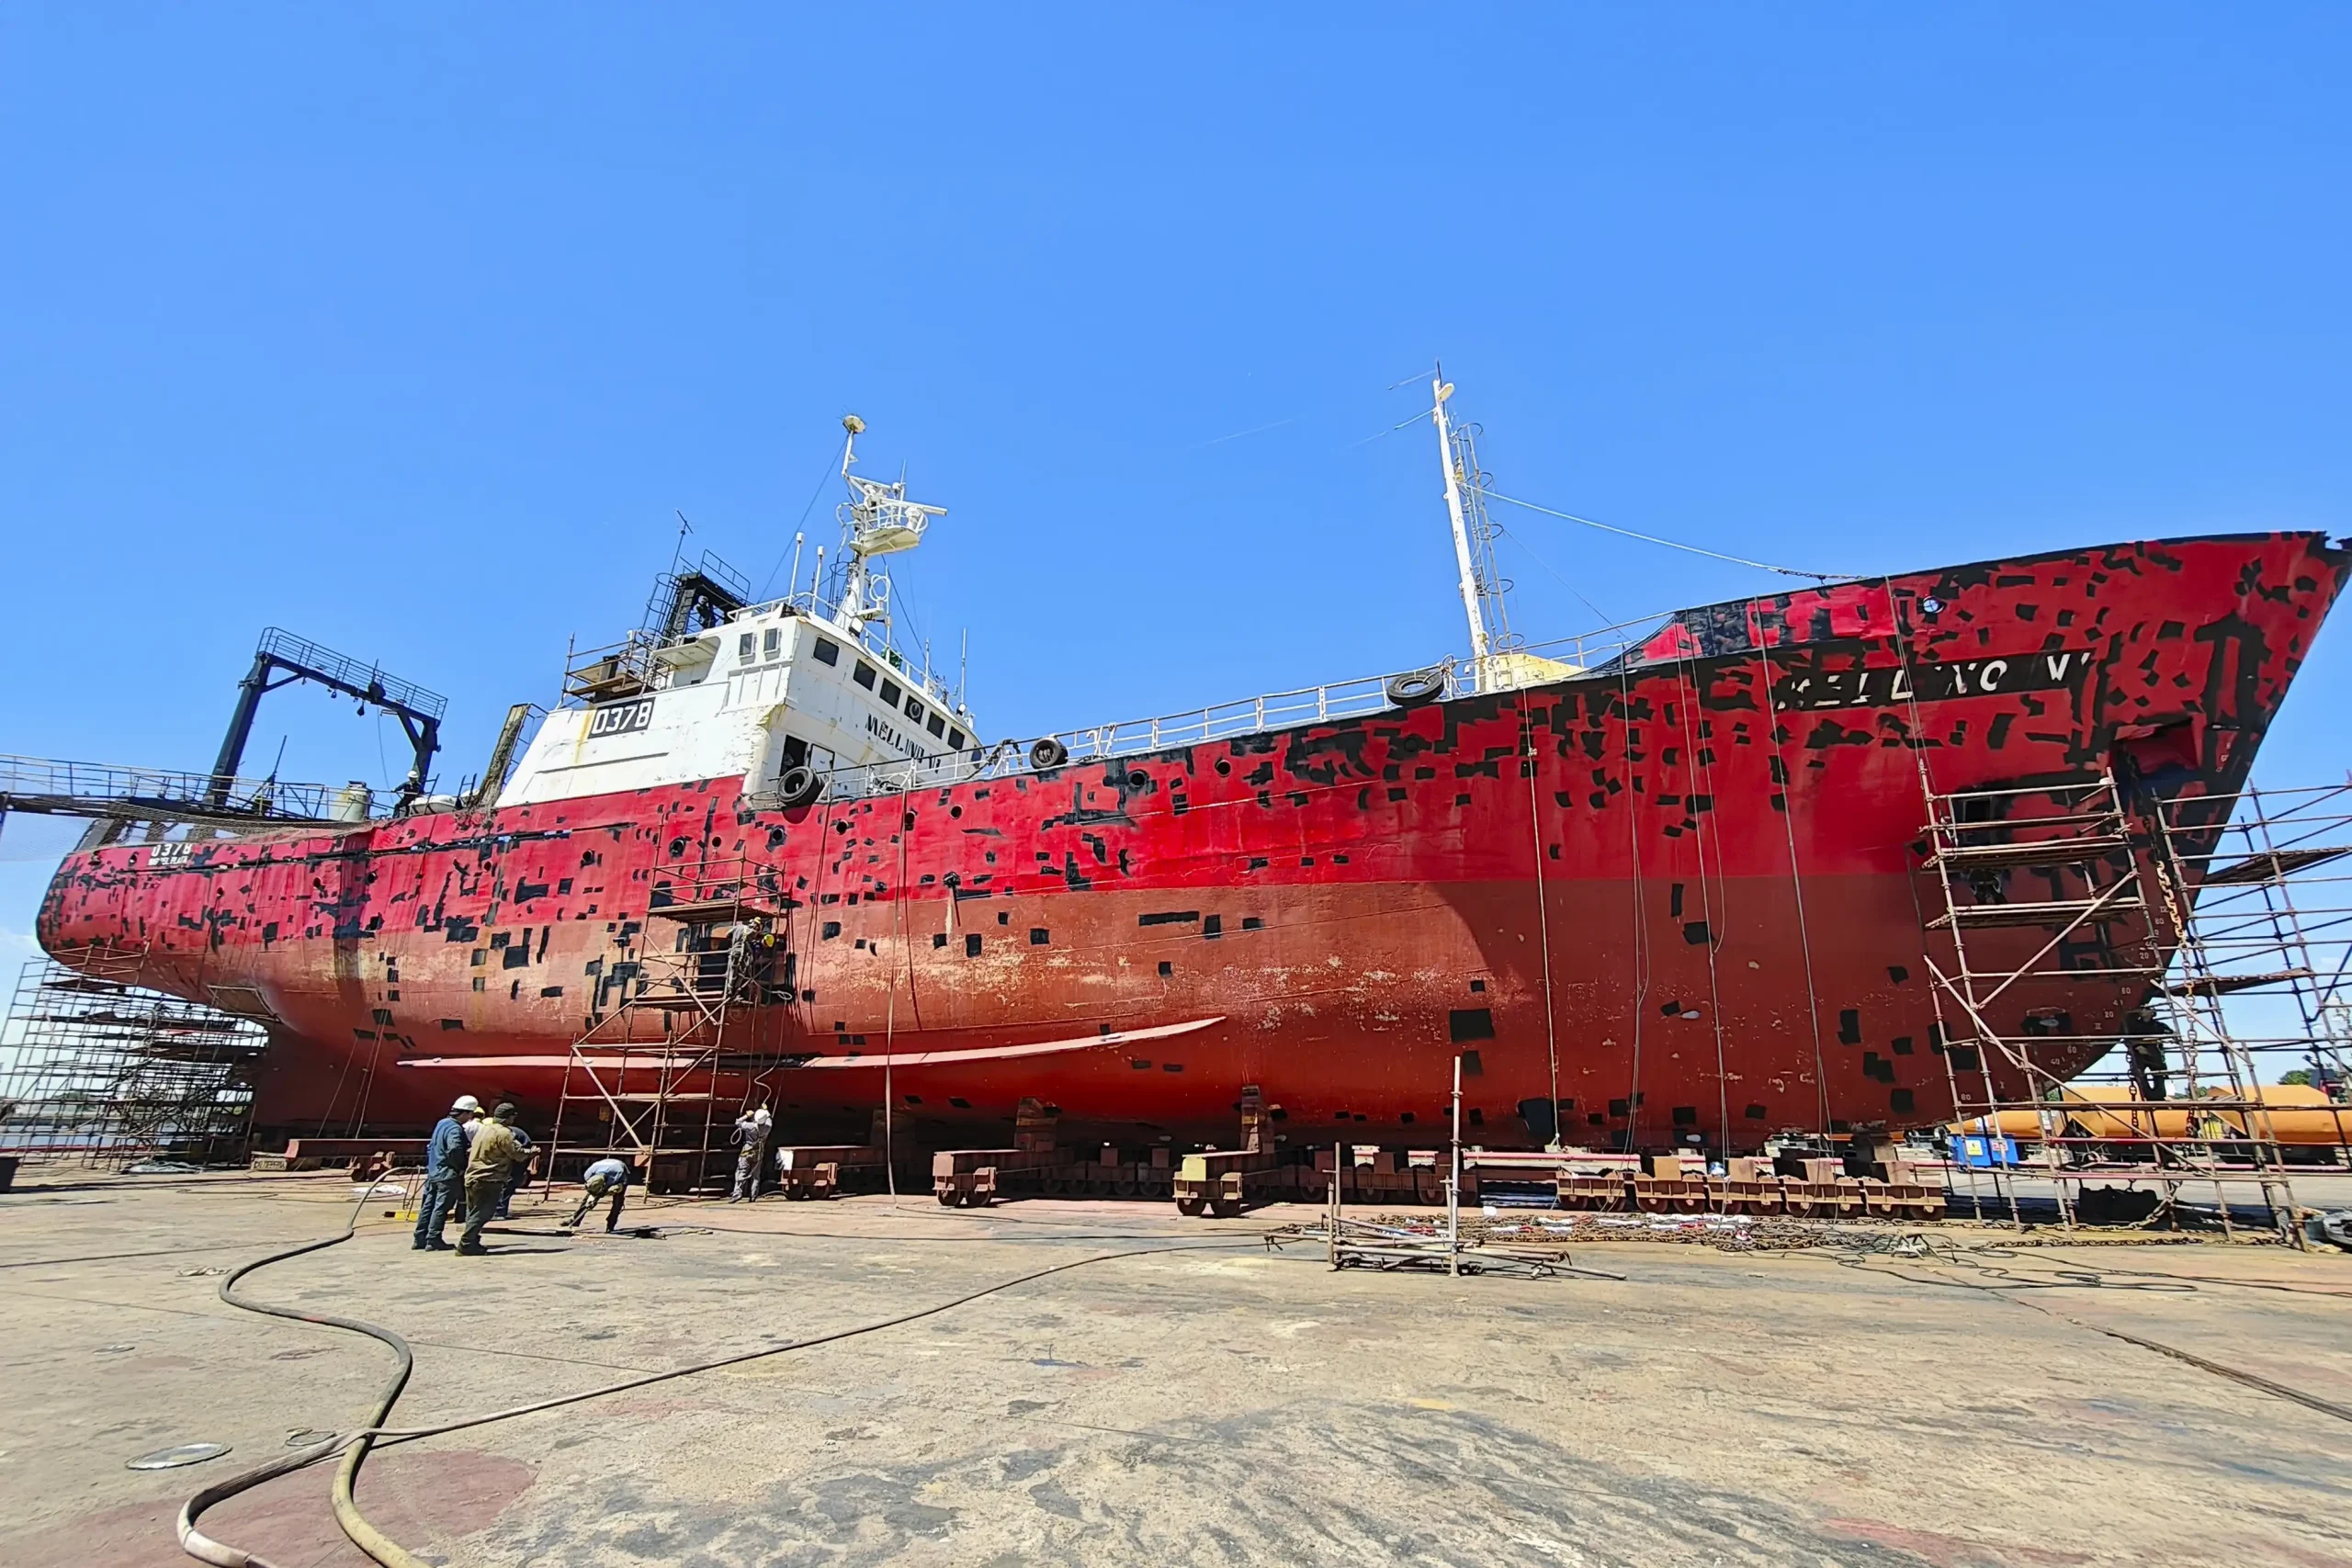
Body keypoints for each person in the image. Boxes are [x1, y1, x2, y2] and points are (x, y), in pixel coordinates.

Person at [413, 1095, 480, 1251]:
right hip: (447, 1174)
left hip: (434, 1172)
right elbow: (454, 1148)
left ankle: (419, 1238)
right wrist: (462, 1165)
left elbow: (432, 1147)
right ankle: (434, 1239)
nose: (470, 1119)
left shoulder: (441, 1123)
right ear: (465, 1113)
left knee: (427, 1206)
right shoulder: (455, 1128)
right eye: (470, 1115)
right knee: (441, 1207)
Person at [458, 1102, 526, 1255]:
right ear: (510, 1117)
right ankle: (466, 1244)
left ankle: (473, 1242)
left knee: (474, 1212)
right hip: (489, 1178)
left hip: (473, 1176)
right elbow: (517, 1154)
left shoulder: (484, 1129)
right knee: (485, 1212)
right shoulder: (504, 1133)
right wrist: (532, 1152)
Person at [567, 1156, 632, 1233]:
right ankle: (576, 1220)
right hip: (605, 1168)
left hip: (619, 1170)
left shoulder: (618, 1174)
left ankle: (611, 1223)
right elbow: (592, 1190)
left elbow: (622, 1183)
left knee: (618, 1201)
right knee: (587, 1200)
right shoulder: (588, 1174)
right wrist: (592, 1197)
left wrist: (609, 1191)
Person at [729, 1104, 773, 1201]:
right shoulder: (768, 1127)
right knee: (756, 1176)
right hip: (759, 1153)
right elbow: (769, 1118)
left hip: (747, 1152)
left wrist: (747, 1115)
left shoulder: (750, 1126)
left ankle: (737, 1194)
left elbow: (738, 1122)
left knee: (741, 1173)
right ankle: (753, 1196)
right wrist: (765, 1110)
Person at [495, 1123, 537, 1219]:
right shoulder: (503, 1132)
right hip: (518, 1155)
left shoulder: (507, 1133)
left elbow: (515, 1151)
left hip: (520, 1156)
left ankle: (499, 1211)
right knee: (507, 1183)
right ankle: (499, 1210)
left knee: (508, 1183)